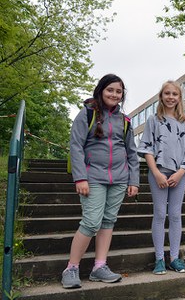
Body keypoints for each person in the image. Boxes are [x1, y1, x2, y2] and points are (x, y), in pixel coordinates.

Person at [62, 74, 140, 289]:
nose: (115, 94)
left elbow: (131, 152)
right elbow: (76, 146)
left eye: (119, 91)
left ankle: (99, 267)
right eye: (110, 90)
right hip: (92, 178)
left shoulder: (124, 121)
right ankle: (71, 268)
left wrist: (134, 180)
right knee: (91, 222)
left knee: (107, 222)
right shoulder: (87, 114)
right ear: (101, 90)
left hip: (119, 179)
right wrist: (80, 177)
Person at [137, 80, 185, 275]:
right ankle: (160, 258)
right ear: (161, 96)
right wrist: (156, 173)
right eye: (167, 93)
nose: (171, 97)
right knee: (160, 214)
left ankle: (175, 258)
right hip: (158, 172)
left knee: (176, 214)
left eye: (174, 94)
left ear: (180, 97)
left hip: (179, 174)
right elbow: (146, 148)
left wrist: (181, 172)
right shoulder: (154, 120)